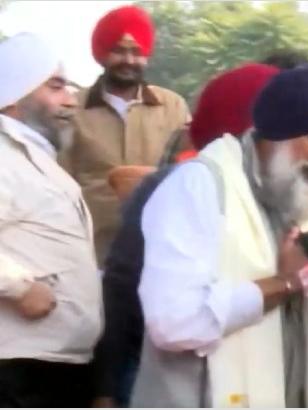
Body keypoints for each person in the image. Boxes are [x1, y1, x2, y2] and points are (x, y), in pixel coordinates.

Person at [131, 65, 308, 407]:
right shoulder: (199, 186)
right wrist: (286, 282)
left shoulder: (293, 200)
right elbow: (174, 323)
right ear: (278, 135)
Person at [92, 63, 280, 407]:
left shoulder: (275, 198)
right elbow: (123, 287)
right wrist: (106, 388)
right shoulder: (184, 185)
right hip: (166, 377)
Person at [0, 33, 102, 407]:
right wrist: (18, 288)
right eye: (56, 87)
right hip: (18, 368)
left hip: (56, 365)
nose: (71, 100)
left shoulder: (34, 157)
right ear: (14, 96)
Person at [60, 5, 191, 267]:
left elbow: (189, 173)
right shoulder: (73, 109)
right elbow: (59, 185)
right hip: (94, 255)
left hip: (161, 252)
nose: (129, 60)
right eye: (119, 50)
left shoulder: (173, 106)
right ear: (101, 53)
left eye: (137, 52)